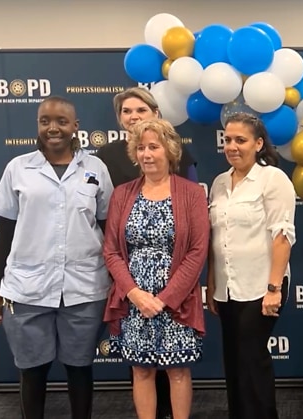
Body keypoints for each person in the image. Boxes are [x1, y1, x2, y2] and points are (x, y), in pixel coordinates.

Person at [0, 96, 114, 419]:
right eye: (45, 121)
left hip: (83, 288)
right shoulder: (18, 168)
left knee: (79, 368)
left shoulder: (95, 169)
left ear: (75, 127)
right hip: (27, 289)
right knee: (32, 370)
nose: (53, 128)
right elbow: (4, 233)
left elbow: (107, 227)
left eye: (61, 121)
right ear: (38, 124)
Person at [95, 86, 198, 419]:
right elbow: (111, 250)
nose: (147, 154)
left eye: (153, 147)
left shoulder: (191, 193)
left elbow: (196, 251)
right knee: (141, 370)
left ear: (168, 149)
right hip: (134, 299)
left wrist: (166, 298)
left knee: (178, 370)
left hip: (177, 300)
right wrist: (136, 294)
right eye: (141, 148)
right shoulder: (123, 194)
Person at [206, 112, 295, 419]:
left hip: (261, 286)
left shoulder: (272, 179)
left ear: (258, 144)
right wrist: (212, 284)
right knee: (233, 359)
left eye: (240, 140)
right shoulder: (219, 183)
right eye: (228, 140)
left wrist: (273, 289)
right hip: (228, 288)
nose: (232, 146)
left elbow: (282, 236)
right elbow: (217, 239)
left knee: (252, 358)